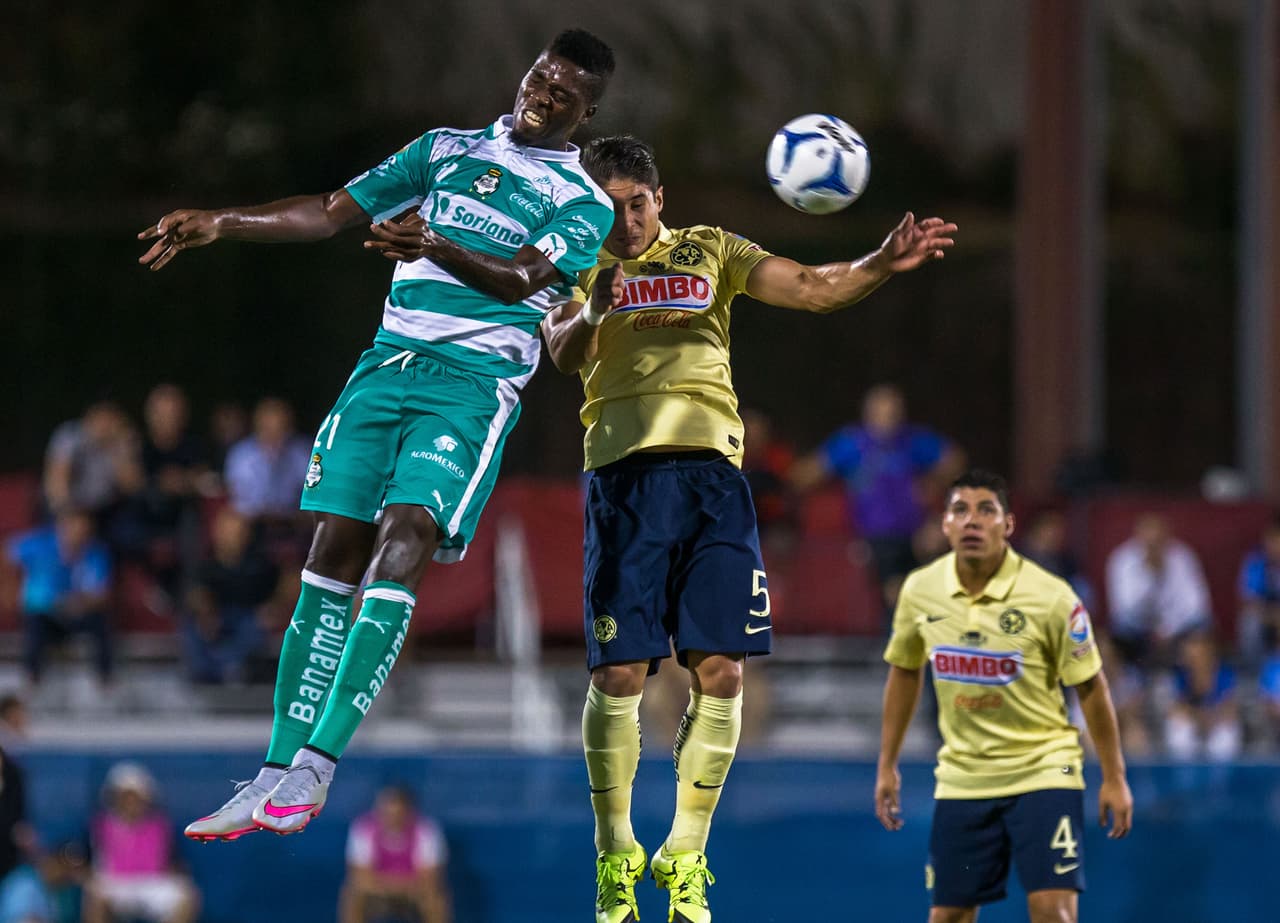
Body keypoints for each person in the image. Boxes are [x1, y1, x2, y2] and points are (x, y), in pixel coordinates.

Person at [138, 28, 617, 838]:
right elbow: (329, 214)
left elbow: (522, 280)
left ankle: (319, 768)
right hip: (385, 367)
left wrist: (433, 241)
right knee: (330, 555)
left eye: (563, 93)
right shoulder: (443, 149)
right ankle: (273, 772)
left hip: (469, 391)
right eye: (540, 75)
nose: (541, 93)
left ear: (587, 109)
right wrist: (221, 221)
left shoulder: (585, 201)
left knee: (406, 536)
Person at [536, 135, 957, 923]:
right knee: (619, 678)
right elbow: (559, 349)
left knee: (724, 671)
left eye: (638, 203)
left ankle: (686, 850)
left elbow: (811, 285)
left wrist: (875, 261)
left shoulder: (711, 251)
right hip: (623, 480)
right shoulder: (569, 263)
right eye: (610, 205)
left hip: (714, 483)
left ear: (660, 200)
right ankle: (616, 850)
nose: (626, 220)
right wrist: (598, 298)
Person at [875, 469, 1133, 923]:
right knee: (948, 916)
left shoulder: (1051, 597)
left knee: (1054, 912)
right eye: (960, 510)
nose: (972, 521)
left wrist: (1114, 776)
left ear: (1008, 525)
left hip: (1044, 769)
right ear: (945, 525)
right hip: (963, 775)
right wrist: (887, 764)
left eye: (986, 510)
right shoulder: (920, 590)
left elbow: (1091, 686)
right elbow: (904, 672)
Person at [791, 383, 965, 616]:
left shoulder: (912, 440)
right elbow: (803, 475)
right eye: (880, 412)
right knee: (892, 590)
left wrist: (933, 488)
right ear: (867, 414)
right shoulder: (853, 443)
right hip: (872, 540)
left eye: (892, 412)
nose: (886, 419)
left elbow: (954, 463)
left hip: (917, 536)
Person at [5, 509, 113, 688]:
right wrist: (8, 587)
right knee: (35, 624)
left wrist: (80, 602)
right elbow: (6, 555)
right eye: (74, 528)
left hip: (77, 613)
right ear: (62, 527)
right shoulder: (39, 544)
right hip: (43, 614)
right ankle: (32, 679)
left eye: (84, 530)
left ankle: (105, 681)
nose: (78, 534)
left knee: (100, 622)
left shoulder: (96, 553)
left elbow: (100, 594)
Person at [82, 763, 199, 923]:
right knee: (94, 895)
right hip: (115, 883)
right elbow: (91, 861)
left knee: (187, 897)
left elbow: (173, 861)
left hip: (152, 882)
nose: (130, 802)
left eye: (135, 797)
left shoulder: (160, 825)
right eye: (125, 797)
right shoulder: (101, 825)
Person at [181, 507, 281, 685]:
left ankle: (231, 669)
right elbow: (196, 594)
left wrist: (271, 608)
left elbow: (276, 594)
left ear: (246, 535)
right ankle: (206, 674)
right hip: (218, 616)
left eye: (237, 531)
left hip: (249, 618)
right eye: (227, 531)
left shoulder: (261, 564)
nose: (231, 536)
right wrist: (206, 612)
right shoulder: (205, 564)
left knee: (253, 628)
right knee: (191, 628)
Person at [1104, 513, 1211, 674]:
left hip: (1175, 630)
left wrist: (1168, 629)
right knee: (1109, 641)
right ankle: (1127, 691)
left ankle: (1196, 695)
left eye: (1158, 539)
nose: (1154, 544)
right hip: (1136, 630)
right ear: (1138, 537)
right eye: (1149, 540)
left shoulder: (1182, 556)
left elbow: (1196, 604)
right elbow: (1124, 609)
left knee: (1201, 634)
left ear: (1167, 536)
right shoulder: (1122, 560)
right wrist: (1150, 575)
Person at [339, 786, 451, 923]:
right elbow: (360, 875)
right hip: (378, 893)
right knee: (353, 894)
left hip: (413, 893)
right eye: (387, 813)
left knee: (435, 898)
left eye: (398, 813)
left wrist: (399, 887)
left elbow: (429, 878)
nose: (392, 818)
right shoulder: (363, 828)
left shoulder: (426, 830)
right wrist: (389, 887)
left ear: (408, 811)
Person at [1164, 632, 1241, 762]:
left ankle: (1220, 780)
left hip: (1216, 722)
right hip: (1193, 722)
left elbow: (1230, 708)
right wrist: (1199, 718)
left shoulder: (1225, 674)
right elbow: (1176, 708)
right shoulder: (1180, 676)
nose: (1193, 657)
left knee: (1225, 735)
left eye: (1197, 652)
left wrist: (1211, 719)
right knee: (1179, 731)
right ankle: (1184, 778)